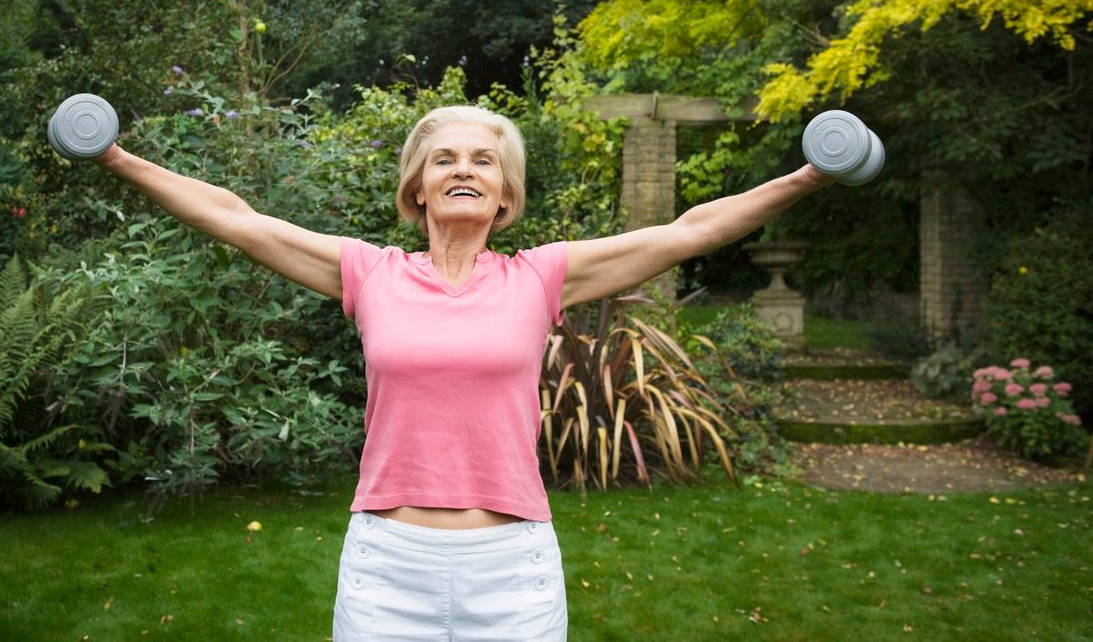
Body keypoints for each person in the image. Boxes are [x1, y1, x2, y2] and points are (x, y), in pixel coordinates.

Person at [90, 104, 834, 640]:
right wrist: (115, 158)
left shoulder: (540, 278)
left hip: (510, 566)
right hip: (388, 564)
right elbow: (235, 218)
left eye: (484, 160)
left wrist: (806, 175)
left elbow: (689, 232)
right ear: (418, 189)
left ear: (506, 195)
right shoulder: (369, 273)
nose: (465, 170)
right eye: (445, 159)